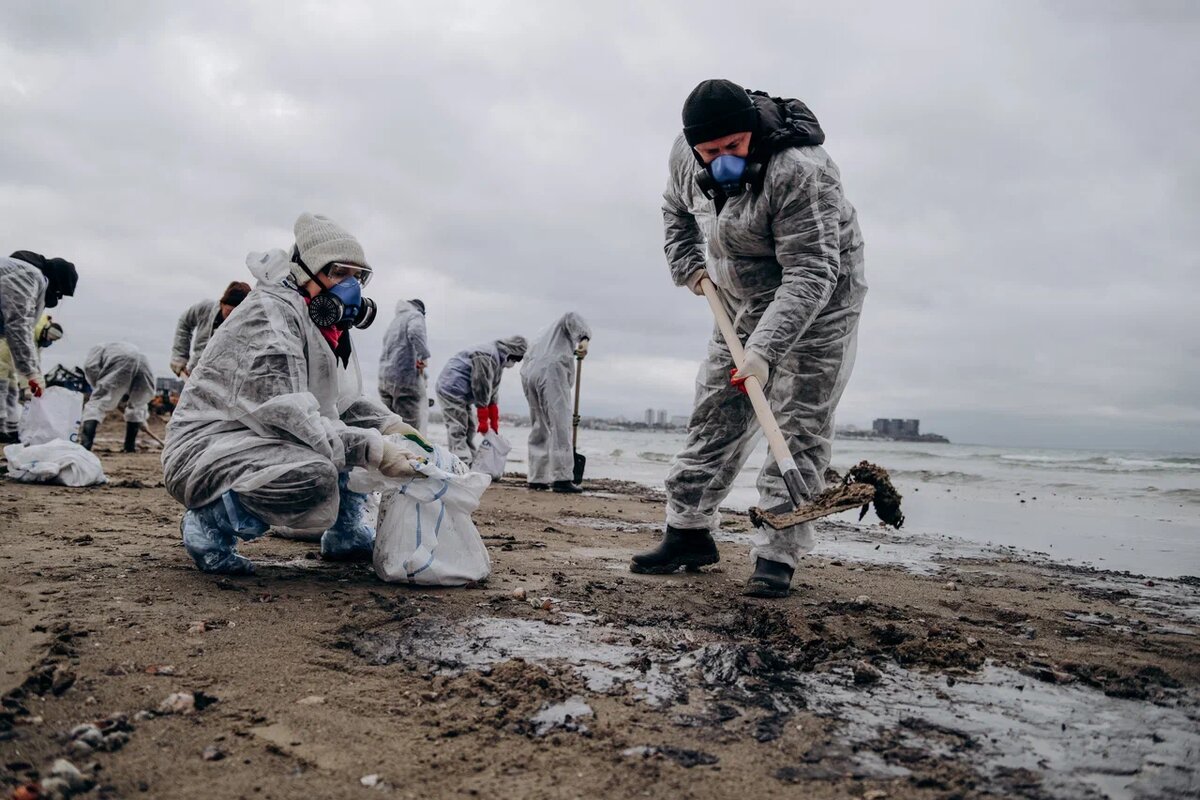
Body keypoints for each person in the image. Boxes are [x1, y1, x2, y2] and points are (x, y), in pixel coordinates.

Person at [631, 79, 867, 599]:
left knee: (798, 419)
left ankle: (778, 553)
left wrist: (763, 351)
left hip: (820, 299)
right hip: (737, 294)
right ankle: (688, 531)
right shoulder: (685, 158)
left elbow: (811, 272)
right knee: (716, 406)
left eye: (733, 148)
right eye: (711, 152)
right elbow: (674, 209)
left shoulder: (801, 172)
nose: (722, 161)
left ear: (752, 134)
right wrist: (688, 265)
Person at [162, 213, 426, 575]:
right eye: (338, 273)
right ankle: (210, 523)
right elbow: (289, 417)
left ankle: (346, 530)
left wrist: (393, 427)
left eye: (358, 276)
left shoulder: (322, 324)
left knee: (344, 439)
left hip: (256, 439)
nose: (350, 287)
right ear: (305, 272)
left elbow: (338, 404)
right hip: (209, 448)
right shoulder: (270, 316)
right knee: (316, 471)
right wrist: (374, 448)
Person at [520, 312, 591, 493]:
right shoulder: (563, 323)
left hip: (529, 372)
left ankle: (537, 478)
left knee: (539, 425)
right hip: (550, 372)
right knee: (560, 423)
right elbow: (572, 316)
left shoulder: (544, 335)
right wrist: (584, 339)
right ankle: (562, 478)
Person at [0, 251, 77, 414]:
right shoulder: (28, 275)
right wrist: (32, 374)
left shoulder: (17, 271)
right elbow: (17, 325)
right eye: (59, 293)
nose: (57, 298)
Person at [435, 335, 527, 464]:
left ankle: (471, 461)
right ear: (512, 353)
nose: (514, 364)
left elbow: (492, 389)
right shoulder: (486, 355)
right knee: (458, 427)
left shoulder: (497, 360)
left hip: (463, 392)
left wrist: (493, 421)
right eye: (516, 360)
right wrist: (483, 417)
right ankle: (461, 462)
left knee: (470, 427)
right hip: (451, 387)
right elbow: (481, 385)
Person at [79, 342, 155, 452]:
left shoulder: (98, 349)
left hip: (121, 358)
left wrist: (100, 388)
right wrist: (140, 419)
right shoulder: (111, 349)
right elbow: (139, 400)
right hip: (142, 359)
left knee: (97, 403)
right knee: (138, 403)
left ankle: (85, 446)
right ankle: (129, 447)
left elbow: (90, 367)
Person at [0, 314, 63, 443]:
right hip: (2, 360)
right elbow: (25, 361)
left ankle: (10, 430)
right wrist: (28, 387)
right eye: (50, 339)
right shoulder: (27, 331)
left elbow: (35, 364)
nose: (49, 342)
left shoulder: (35, 339)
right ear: (45, 331)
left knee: (10, 396)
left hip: (9, 366)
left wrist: (39, 384)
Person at [169, 281, 252, 378]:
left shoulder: (251, 326)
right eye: (229, 312)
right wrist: (179, 356)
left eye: (237, 315)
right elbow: (184, 322)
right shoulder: (204, 309)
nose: (231, 319)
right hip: (196, 373)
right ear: (222, 304)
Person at [378, 298, 431, 435]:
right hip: (404, 382)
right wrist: (423, 357)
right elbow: (415, 332)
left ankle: (388, 455)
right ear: (421, 311)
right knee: (409, 431)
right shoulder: (416, 315)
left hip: (385, 380)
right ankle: (411, 455)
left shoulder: (395, 321)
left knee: (389, 428)